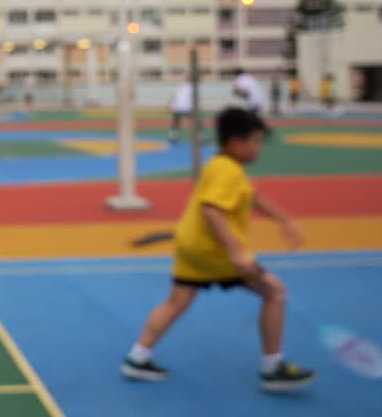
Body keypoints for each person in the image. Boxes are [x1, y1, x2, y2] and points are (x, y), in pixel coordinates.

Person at [122, 108, 315, 392]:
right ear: (236, 143)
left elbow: (251, 195)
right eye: (256, 142)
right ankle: (272, 368)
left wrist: (283, 219)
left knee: (177, 301)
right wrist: (237, 253)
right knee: (275, 292)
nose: (259, 148)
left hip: (191, 247)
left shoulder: (221, 165)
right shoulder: (227, 171)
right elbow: (212, 210)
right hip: (216, 251)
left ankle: (137, 357)